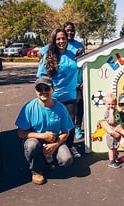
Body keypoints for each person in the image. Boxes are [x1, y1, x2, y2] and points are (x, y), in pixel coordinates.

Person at [15, 77, 74, 185]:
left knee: (67, 159)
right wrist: (42, 136)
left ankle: (48, 161)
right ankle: (36, 171)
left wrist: (55, 145)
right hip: (36, 140)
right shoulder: (29, 107)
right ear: (36, 91)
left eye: (46, 88)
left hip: (54, 140)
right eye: (39, 89)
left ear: (53, 89)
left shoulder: (60, 108)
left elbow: (66, 132)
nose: (43, 92)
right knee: (31, 146)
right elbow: (20, 133)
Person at [36, 28, 82, 159]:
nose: (61, 41)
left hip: (70, 95)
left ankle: (70, 145)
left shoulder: (73, 54)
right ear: (54, 41)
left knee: (70, 122)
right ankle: (49, 148)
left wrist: (80, 88)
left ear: (67, 40)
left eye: (63, 38)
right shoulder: (48, 56)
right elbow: (41, 77)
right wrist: (43, 94)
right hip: (53, 96)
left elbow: (82, 71)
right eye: (58, 39)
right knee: (52, 122)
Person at [102, 93, 123, 169]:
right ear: (105, 104)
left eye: (113, 104)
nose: (111, 106)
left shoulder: (116, 111)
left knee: (115, 147)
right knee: (112, 148)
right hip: (111, 135)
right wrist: (111, 113)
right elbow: (111, 122)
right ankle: (111, 161)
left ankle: (115, 158)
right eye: (109, 104)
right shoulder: (107, 113)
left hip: (117, 133)